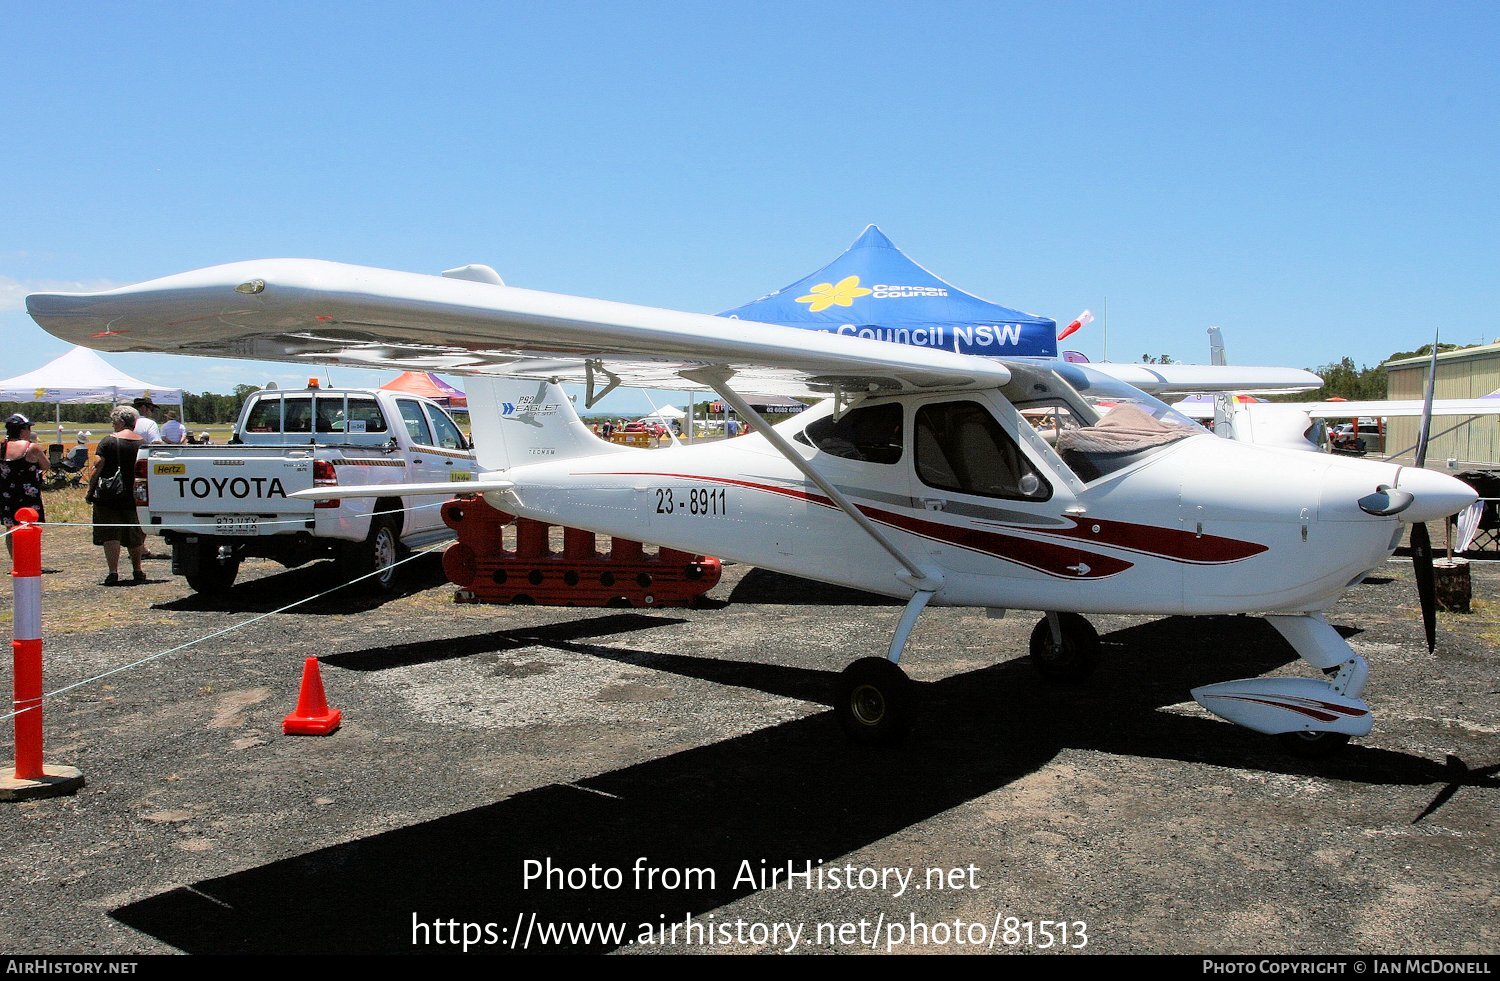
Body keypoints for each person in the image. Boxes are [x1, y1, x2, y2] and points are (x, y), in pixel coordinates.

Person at [90, 405, 147, 585]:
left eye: (114, 421)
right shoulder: (142, 443)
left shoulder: (107, 442)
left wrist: (90, 490)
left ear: (121, 421)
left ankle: (113, 571)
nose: (112, 424)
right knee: (134, 534)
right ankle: (137, 569)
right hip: (134, 494)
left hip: (109, 495)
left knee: (110, 534)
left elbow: (97, 466)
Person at [1, 414, 50, 558]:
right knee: (31, 527)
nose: (30, 431)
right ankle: (29, 559)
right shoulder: (31, 448)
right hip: (28, 496)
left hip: (7, 495)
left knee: (10, 529)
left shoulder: (2, 447)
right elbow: (46, 465)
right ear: (22, 430)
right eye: (28, 428)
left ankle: (16, 560)